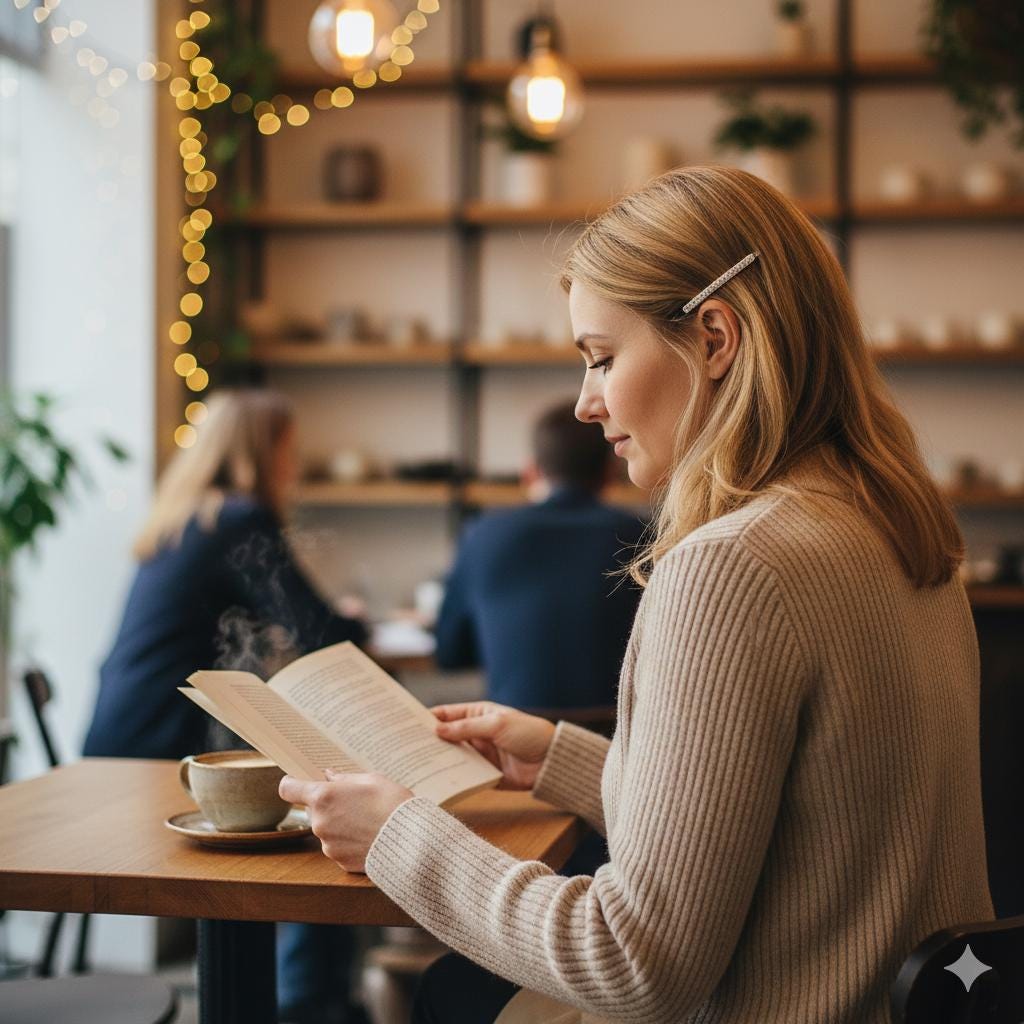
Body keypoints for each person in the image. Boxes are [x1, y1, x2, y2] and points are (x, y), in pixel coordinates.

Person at [280, 166, 993, 1024]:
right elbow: (811, 830)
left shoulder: (733, 568)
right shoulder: (897, 527)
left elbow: (633, 961)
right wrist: (566, 761)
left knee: (450, 999)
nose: (587, 403)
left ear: (716, 339)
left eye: (603, 358)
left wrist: (396, 838)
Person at [82, 389, 368, 1024]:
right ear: (265, 452)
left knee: (311, 797)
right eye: (289, 450)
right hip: (165, 754)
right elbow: (318, 630)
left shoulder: (189, 517)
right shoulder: (240, 519)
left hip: (122, 731)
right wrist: (355, 621)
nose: (294, 465)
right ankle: (310, 1005)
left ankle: (310, 998)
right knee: (322, 823)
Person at [434, 399, 644, 710]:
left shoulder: (483, 535)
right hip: (618, 747)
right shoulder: (644, 536)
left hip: (513, 743)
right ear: (611, 470)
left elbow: (449, 654)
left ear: (530, 471)